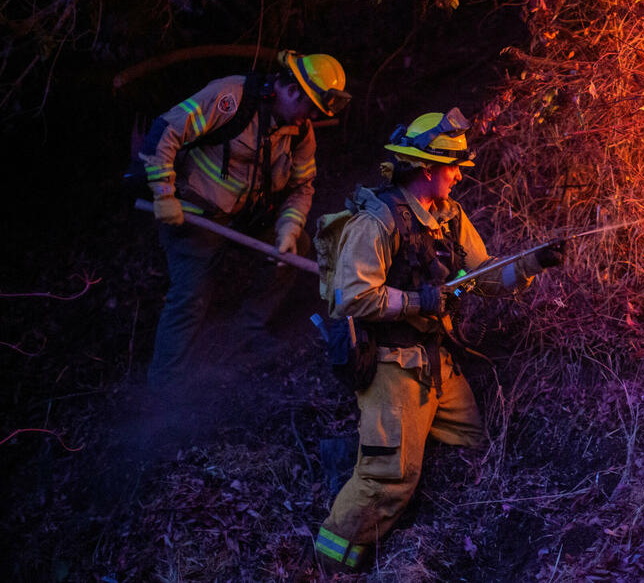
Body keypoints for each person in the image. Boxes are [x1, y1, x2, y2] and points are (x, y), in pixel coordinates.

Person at [313, 108, 564, 572]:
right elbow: (351, 298)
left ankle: (432, 523)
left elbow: (486, 277)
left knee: (471, 442)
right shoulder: (377, 221)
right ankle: (330, 562)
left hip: (435, 360)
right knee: (391, 477)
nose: (458, 177)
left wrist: (535, 262)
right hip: (392, 364)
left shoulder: (448, 216)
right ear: (427, 169)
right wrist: (414, 302)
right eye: (452, 168)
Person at [140, 50, 350, 388]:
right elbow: (166, 131)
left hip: (246, 215)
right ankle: (165, 386)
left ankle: (246, 334)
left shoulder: (300, 132)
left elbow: (302, 187)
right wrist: (163, 194)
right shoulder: (231, 96)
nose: (310, 118)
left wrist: (288, 228)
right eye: (310, 108)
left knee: (296, 249)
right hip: (195, 213)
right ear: (293, 91)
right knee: (191, 294)